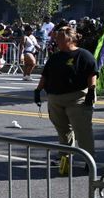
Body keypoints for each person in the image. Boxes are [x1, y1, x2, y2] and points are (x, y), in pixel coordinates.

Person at [33, 26, 97, 158]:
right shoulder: (55, 57)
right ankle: (65, 159)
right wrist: (38, 90)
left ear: (69, 39)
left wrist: (91, 90)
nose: (56, 41)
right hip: (55, 100)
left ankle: (89, 160)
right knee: (63, 132)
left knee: (82, 131)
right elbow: (45, 75)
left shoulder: (83, 55)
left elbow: (92, 73)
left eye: (60, 39)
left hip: (76, 98)